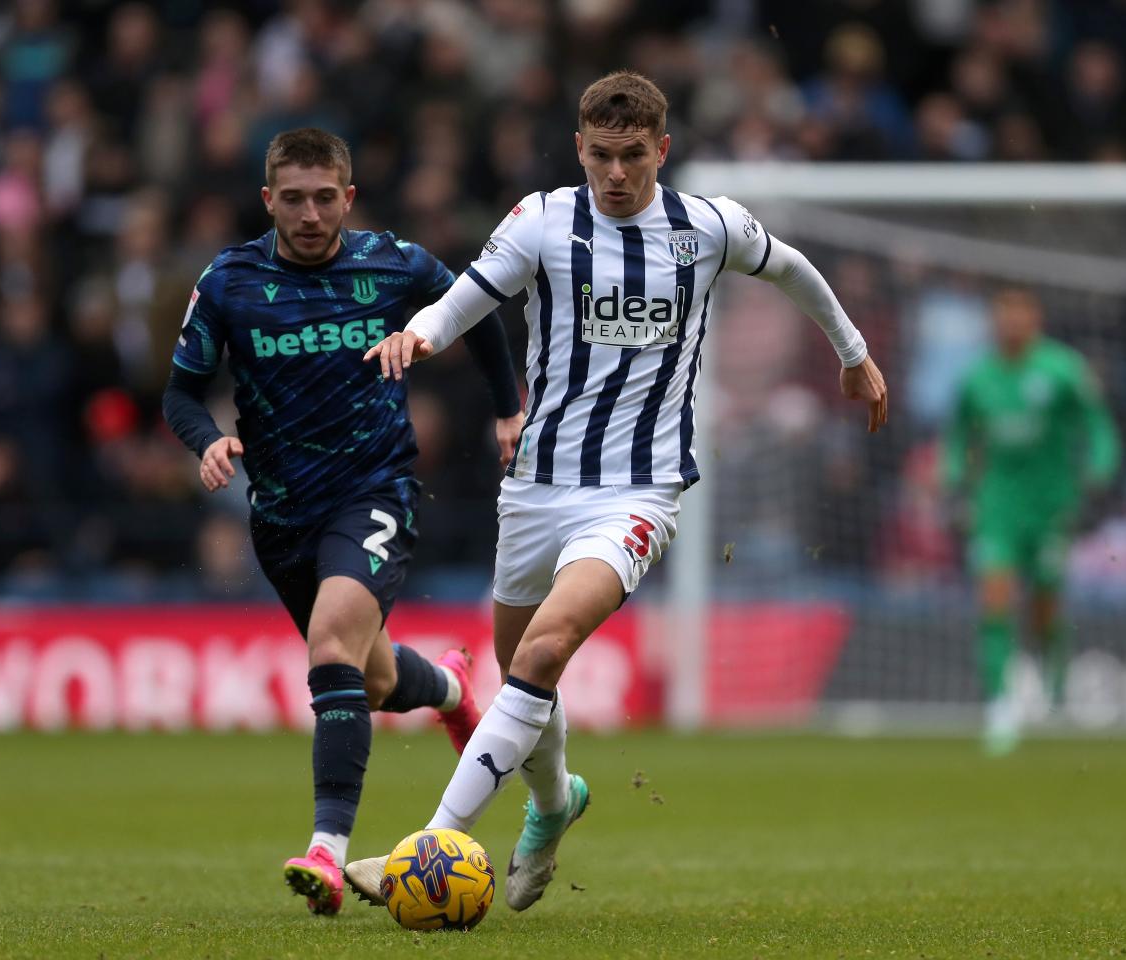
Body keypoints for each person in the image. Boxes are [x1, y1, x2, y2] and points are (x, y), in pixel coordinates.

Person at [341, 71, 888, 912]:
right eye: (602, 156)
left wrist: (851, 352)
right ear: (580, 150)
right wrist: (417, 335)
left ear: (662, 150)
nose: (618, 174)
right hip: (537, 485)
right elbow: (467, 299)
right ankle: (556, 806)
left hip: (639, 491)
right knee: (519, 667)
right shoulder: (542, 219)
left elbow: (793, 268)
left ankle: (427, 846)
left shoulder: (706, 227)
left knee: (542, 653)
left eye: (634, 156)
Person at [161, 128, 525, 915]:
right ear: (268, 201)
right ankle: (452, 688)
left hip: (375, 491)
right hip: (281, 512)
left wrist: (508, 407)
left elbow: (481, 311)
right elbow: (180, 392)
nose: (310, 213)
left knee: (330, 646)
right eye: (293, 198)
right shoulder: (229, 281)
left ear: (348, 198)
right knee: (371, 676)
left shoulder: (393, 263)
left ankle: (326, 852)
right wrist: (209, 439)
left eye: (325, 197)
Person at [943, 286, 1120, 756]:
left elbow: (1098, 424)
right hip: (996, 507)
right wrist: (954, 473)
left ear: (1035, 319)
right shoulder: (977, 379)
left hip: (1051, 508)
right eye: (1003, 316)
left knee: (1044, 600)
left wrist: (1100, 466)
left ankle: (1053, 673)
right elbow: (958, 435)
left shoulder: (1063, 370)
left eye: (1019, 315)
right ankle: (1001, 706)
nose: (1011, 324)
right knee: (994, 601)